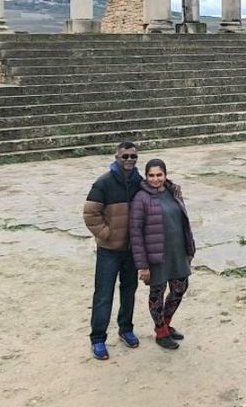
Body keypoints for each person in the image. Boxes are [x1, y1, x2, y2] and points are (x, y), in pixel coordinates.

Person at [83, 140, 142, 360]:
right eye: (124, 156)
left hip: (131, 250)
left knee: (129, 291)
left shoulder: (139, 181)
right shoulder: (104, 183)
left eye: (133, 156)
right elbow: (90, 214)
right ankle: (98, 338)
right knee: (103, 295)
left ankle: (126, 328)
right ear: (116, 157)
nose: (129, 160)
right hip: (109, 250)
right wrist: (106, 233)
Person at [129, 158, 195, 350]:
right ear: (146, 176)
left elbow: (184, 222)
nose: (156, 179)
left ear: (165, 175)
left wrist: (190, 248)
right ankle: (160, 331)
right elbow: (136, 233)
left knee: (180, 288)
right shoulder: (141, 198)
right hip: (156, 255)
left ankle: (166, 322)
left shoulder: (173, 192)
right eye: (151, 175)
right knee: (157, 293)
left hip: (177, 251)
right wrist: (142, 265)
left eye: (159, 175)